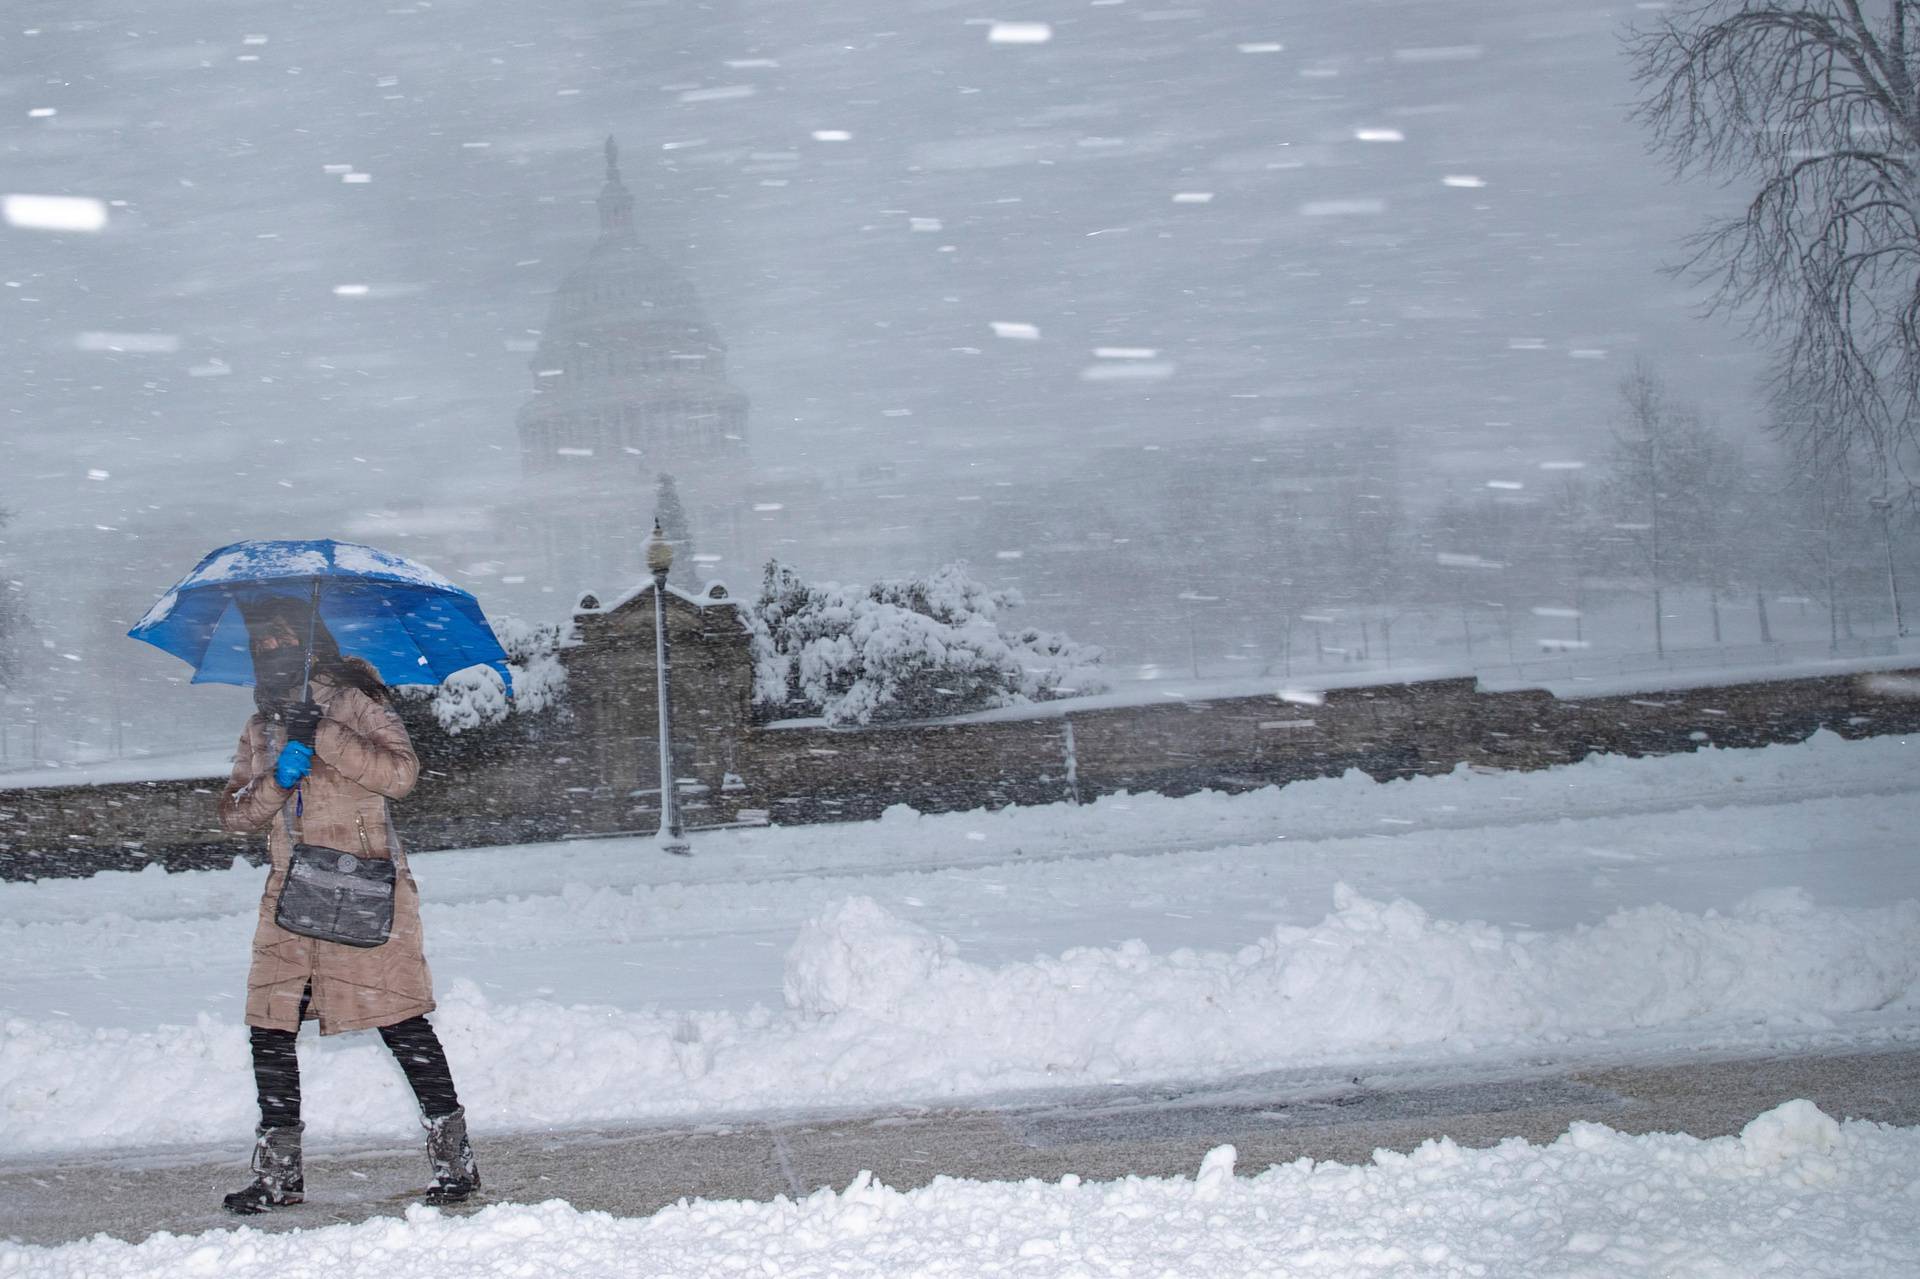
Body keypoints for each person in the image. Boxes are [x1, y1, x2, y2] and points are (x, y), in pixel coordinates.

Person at [216, 597, 480, 1214]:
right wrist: (279, 776)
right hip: (290, 898)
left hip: (365, 889)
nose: (271, 651)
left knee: (401, 1021)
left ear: (312, 641)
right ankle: (280, 1177)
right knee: (270, 1029)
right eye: (262, 644)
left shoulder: (360, 701)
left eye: (282, 639)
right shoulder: (261, 725)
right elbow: (234, 814)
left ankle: (456, 1164)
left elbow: (401, 776)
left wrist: (326, 735)